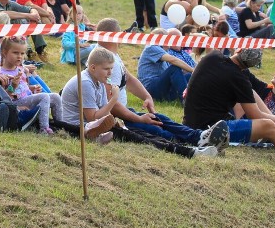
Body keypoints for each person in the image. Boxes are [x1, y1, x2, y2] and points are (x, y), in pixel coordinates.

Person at [94, 18, 228, 154]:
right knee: (157, 130)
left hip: (125, 111)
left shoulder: (111, 56)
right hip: (116, 118)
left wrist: (146, 96)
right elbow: (112, 105)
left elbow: (129, 78)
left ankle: (199, 136)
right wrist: (139, 118)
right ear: (116, 34)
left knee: (161, 119)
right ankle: (198, 146)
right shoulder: (105, 61)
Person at [183, 49, 275, 166]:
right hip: (211, 129)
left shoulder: (212, 57)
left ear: (239, 50)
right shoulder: (239, 78)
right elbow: (256, 116)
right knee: (268, 125)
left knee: (252, 95)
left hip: (191, 122)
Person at [0, 37, 62, 134]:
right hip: (16, 105)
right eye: (15, 53)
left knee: (56, 97)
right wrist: (13, 86)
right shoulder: (1, 74)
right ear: (4, 52)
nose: (19, 56)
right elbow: (3, 98)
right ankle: (44, 129)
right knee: (44, 96)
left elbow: (24, 88)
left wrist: (33, 89)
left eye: (22, 53)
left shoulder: (21, 69)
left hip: (26, 99)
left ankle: (61, 125)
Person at [137, 28, 195, 102]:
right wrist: (193, 70)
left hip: (161, 87)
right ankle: (187, 100)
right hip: (151, 89)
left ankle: (195, 98)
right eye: (168, 39)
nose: (170, 42)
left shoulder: (162, 51)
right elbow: (173, 60)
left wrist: (192, 73)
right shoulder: (151, 47)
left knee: (189, 76)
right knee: (175, 68)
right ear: (161, 39)